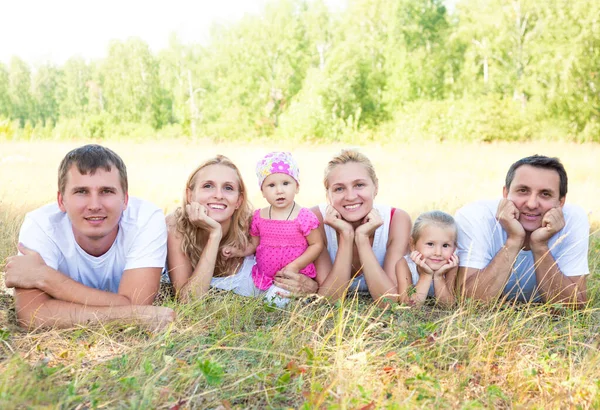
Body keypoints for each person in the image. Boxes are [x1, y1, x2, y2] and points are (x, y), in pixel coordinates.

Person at [4, 144, 174, 329]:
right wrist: (128, 316)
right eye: (81, 192)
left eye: (106, 191)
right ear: (61, 201)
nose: (94, 205)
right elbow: (31, 315)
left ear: (125, 199)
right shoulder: (41, 224)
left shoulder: (146, 218)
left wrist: (46, 277)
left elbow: (137, 304)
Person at [274, 149, 412, 303]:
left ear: (376, 187)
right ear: (328, 195)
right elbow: (329, 300)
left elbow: (389, 301)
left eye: (359, 185)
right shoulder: (314, 219)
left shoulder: (397, 220)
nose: (351, 196)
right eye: (339, 189)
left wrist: (362, 239)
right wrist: (346, 236)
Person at [455, 155, 589, 307]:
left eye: (545, 194)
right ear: (505, 194)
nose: (532, 204)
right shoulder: (475, 216)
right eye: (523, 190)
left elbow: (575, 306)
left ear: (561, 202)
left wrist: (540, 246)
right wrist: (514, 240)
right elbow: (470, 302)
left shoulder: (573, 219)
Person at [221, 152, 324, 307]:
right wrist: (238, 252)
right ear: (262, 191)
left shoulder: (303, 216)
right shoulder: (259, 216)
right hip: (263, 274)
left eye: (286, 183)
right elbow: (254, 244)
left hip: (291, 276)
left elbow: (316, 245)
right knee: (237, 288)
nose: (279, 190)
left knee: (274, 302)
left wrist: (294, 266)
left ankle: (289, 299)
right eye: (271, 185)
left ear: (297, 186)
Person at [166, 155, 260, 300]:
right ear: (190, 195)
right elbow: (188, 301)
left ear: (239, 201)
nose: (218, 195)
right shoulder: (176, 225)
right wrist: (215, 235)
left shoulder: (254, 227)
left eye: (228, 188)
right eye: (208, 186)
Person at [396, 211, 458, 307]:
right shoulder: (404, 264)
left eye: (445, 245)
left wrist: (439, 277)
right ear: (413, 244)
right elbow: (408, 306)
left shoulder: (451, 265)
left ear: (454, 248)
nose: (438, 253)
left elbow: (449, 306)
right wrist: (426, 275)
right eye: (430, 244)